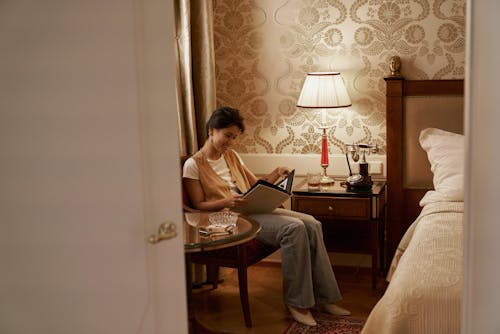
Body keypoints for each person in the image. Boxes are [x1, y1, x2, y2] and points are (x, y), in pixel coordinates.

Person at [182, 106, 350, 326]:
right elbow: (198, 205)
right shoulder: (193, 164)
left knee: (311, 222)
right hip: (230, 217)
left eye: (233, 137)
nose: (230, 142)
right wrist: (227, 202)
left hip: (251, 208)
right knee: (294, 228)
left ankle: (325, 298)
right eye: (227, 136)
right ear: (212, 130)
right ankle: (297, 303)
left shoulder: (231, 156)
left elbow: (254, 185)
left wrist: (276, 175)